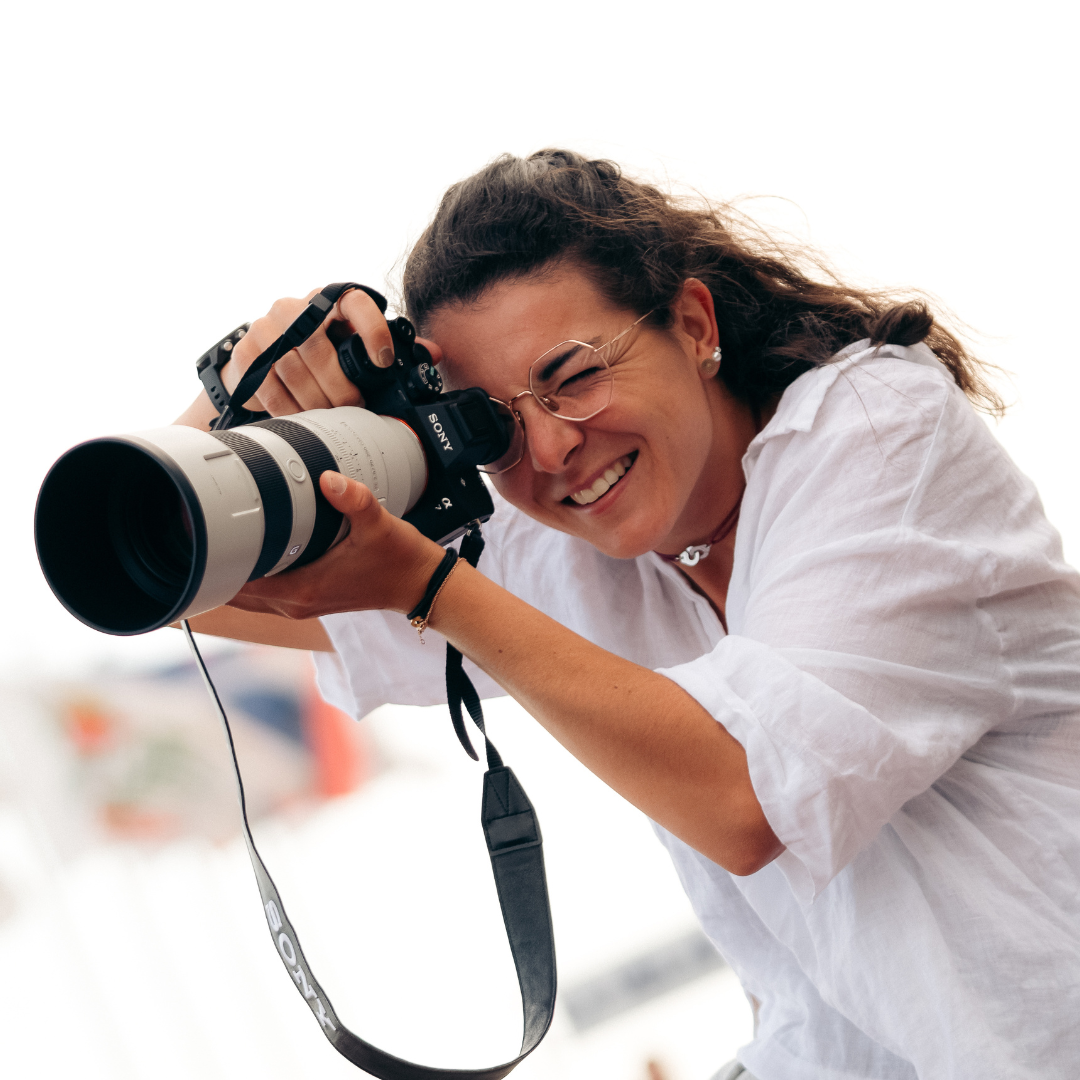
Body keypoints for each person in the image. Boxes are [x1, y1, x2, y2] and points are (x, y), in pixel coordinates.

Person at [174, 150, 1080, 1078]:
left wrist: (430, 589)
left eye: (572, 375)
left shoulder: (877, 429)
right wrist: (262, 369)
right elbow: (180, 585)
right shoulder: (558, 540)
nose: (557, 445)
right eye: (495, 425)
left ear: (692, 324)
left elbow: (746, 799)